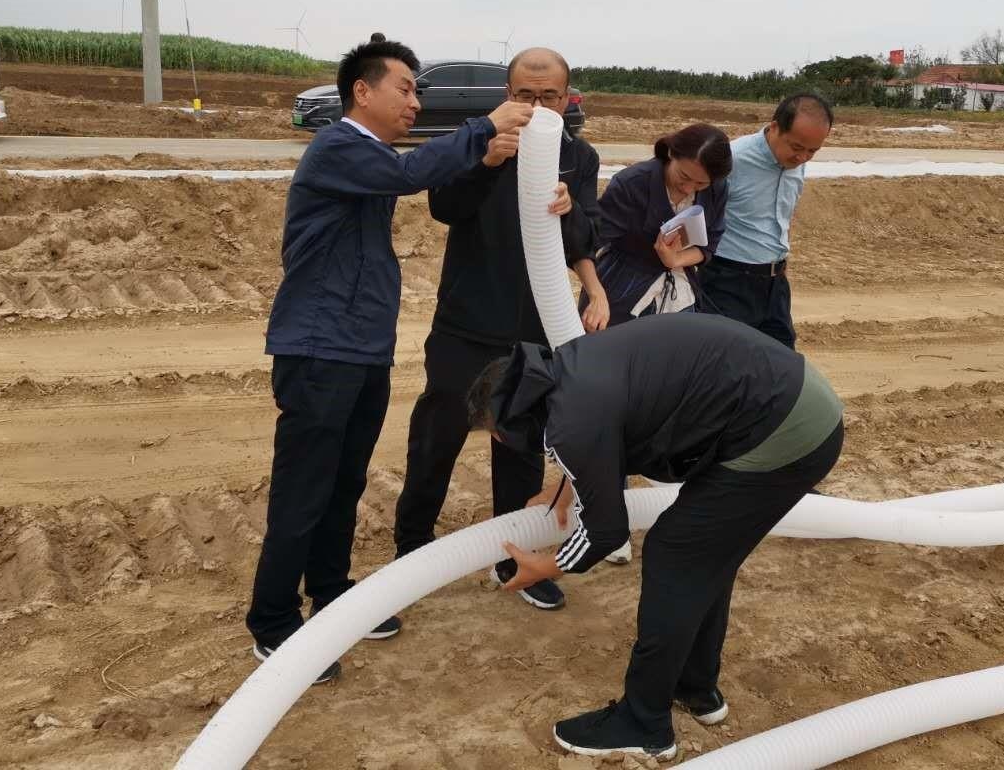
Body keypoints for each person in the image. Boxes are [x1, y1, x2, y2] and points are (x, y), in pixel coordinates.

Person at [246, 36, 534, 683]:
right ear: (362, 91)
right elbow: (413, 176)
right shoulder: (339, 147)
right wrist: (485, 124)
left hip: (359, 354)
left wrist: (482, 157)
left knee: (344, 484)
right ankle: (273, 623)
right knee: (303, 493)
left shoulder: (366, 156)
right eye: (405, 87)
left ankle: (330, 593)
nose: (414, 100)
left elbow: (420, 176)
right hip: (319, 352)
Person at [467, 313, 844, 760]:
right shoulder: (566, 370)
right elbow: (612, 428)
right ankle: (695, 686)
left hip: (781, 430)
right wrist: (566, 487)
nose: (504, 445)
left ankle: (643, 722)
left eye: (498, 436)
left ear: (514, 420)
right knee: (705, 550)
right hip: (796, 404)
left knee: (675, 549)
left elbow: (606, 532)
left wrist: (546, 567)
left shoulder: (573, 420)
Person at [393, 47, 608, 612]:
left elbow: (587, 239)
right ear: (507, 95)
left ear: (567, 98)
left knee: (520, 446)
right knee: (438, 436)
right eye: (524, 95)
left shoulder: (578, 158)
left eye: (549, 97)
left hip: (536, 329)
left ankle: (514, 557)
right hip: (467, 321)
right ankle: (410, 552)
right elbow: (444, 207)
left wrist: (571, 210)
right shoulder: (478, 142)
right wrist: (487, 162)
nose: (537, 107)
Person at [700, 93, 833, 350]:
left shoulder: (797, 163)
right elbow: (696, 217)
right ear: (774, 127)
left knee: (781, 365)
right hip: (727, 282)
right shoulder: (733, 159)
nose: (803, 157)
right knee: (727, 365)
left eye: (812, 151)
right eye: (796, 147)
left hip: (775, 285)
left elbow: (783, 217)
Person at [589, 123, 732, 327]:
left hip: (680, 291)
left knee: (673, 354)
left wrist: (676, 259)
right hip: (622, 285)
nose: (688, 188)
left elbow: (709, 243)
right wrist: (596, 294)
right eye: (684, 177)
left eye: (701, 184)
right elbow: (590, 244)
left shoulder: (717, 188)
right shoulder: (632, 183)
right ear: (672, 153)